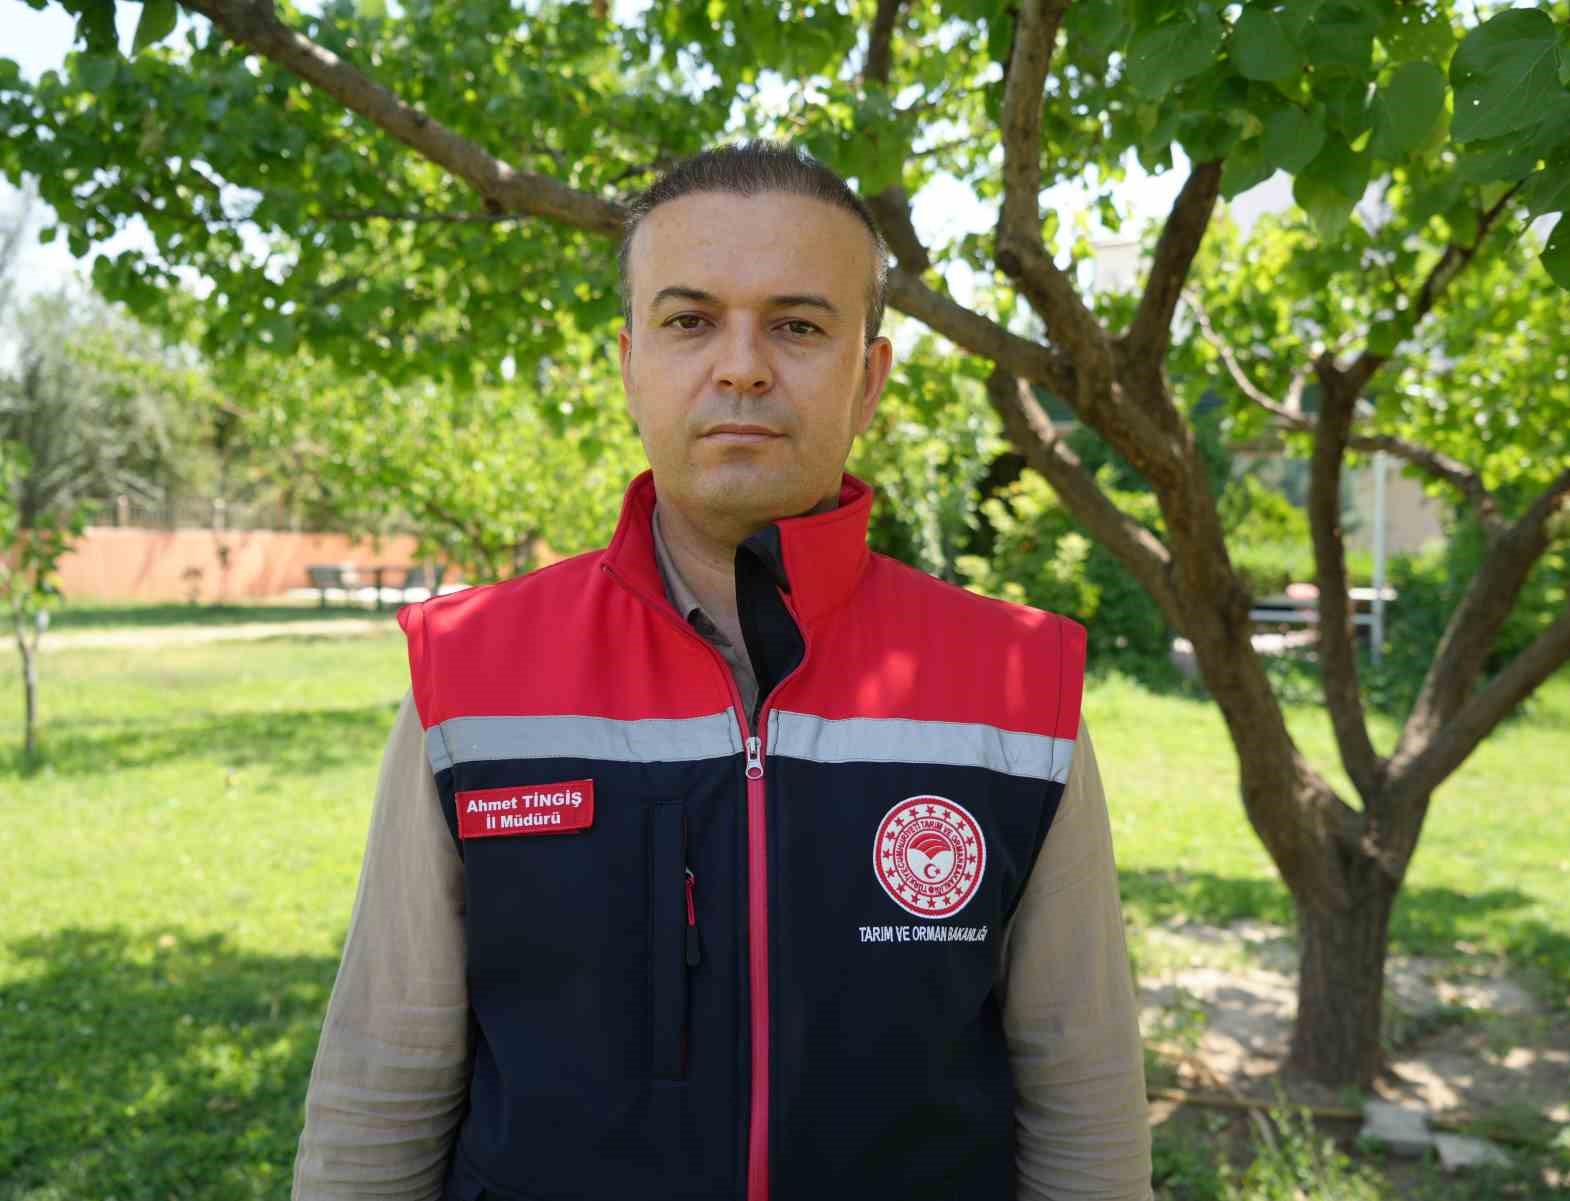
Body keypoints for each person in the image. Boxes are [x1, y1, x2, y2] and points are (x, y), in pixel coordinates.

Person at [292, 141, 1151, 1201]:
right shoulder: (469, 673)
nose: (741, 366)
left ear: (868, 379)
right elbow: (381, 1091)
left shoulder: (1017, 685)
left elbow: (1082, 1104)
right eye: (690, 321)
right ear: (629, 365)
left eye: (797, 326)